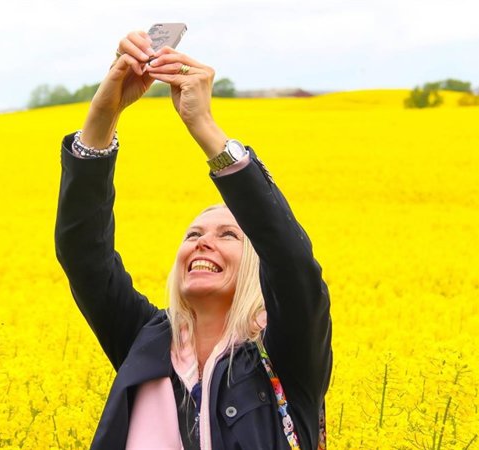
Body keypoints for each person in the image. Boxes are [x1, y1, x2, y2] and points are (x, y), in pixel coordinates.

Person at [54, 30, 332, 449]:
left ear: (256, 264)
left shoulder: (287, 352)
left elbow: (290, 259)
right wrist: (103, 115)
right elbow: (83, 255)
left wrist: (202, 125)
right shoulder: (145, 341)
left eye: (228, 234)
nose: (203, 242)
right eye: (194, 234)